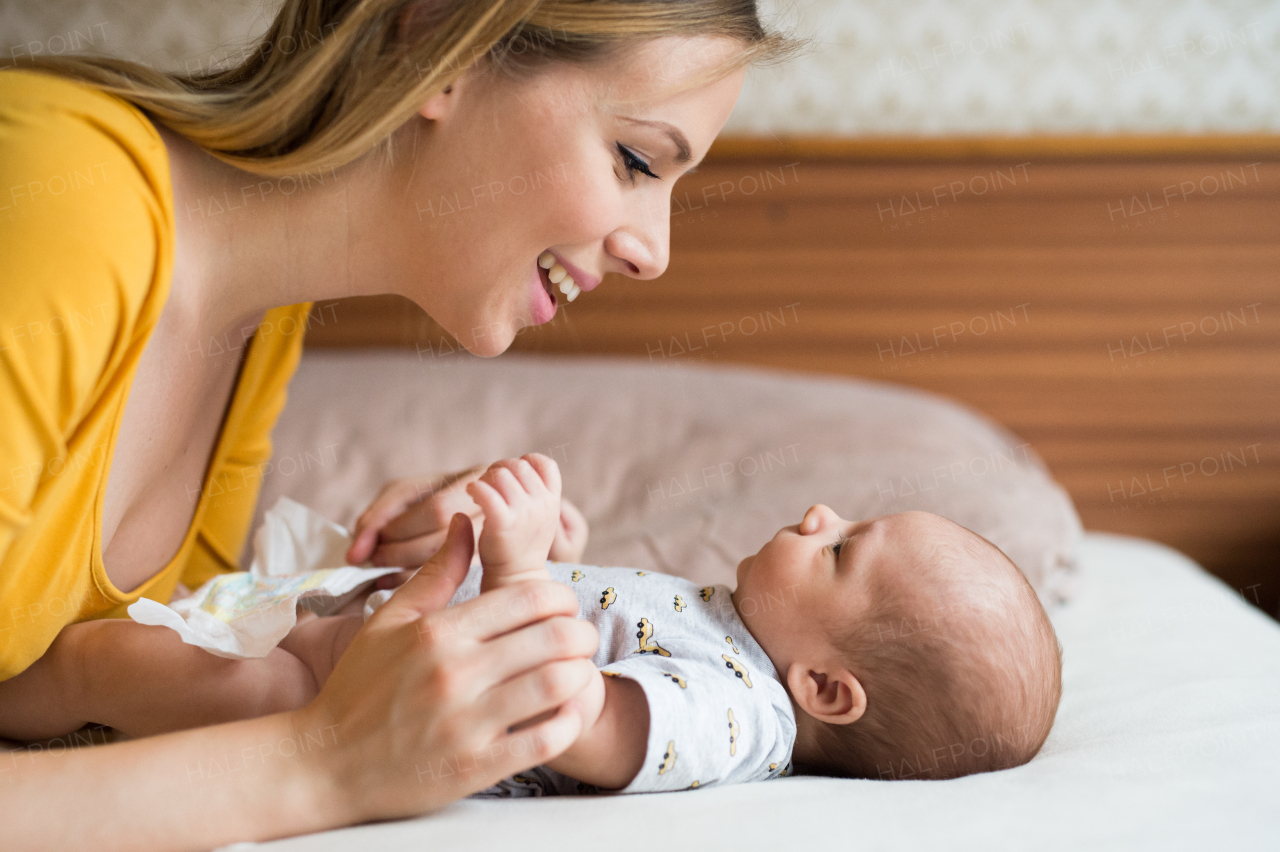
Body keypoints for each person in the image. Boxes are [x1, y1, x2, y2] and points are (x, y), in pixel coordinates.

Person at [0, 0, 805, 847]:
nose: (656, 251)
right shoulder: (61, 200)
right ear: (437, 40)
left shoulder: (256, 327)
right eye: (636, 159)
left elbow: (96, 696)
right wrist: (328, 764)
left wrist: (351, 605)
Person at [98, 453, 1063, 792]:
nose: (819, 517)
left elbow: (566, 710)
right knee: (154, 632)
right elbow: (610, 630)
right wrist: (561, 548)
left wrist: (521, 567)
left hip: (346, 697)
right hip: (365, 630)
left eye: (843, 551)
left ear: (824, 690)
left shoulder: (739, 720)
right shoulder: (730, 635)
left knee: (115, 664)